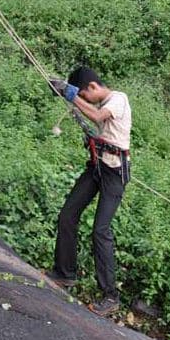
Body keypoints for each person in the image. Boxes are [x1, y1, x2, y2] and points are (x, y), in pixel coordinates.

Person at [49, 67, 131, 316]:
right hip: (97, 166)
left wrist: (71, 95)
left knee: (100, 230)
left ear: (93, 87)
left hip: (115, 173)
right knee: (68, 215)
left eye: (85, 94)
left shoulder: (119, 99)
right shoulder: (103, 101)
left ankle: (110, 296)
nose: (84, 98)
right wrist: (68, 95)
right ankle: (65, 274)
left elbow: (97, 117)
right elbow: (96, 122)